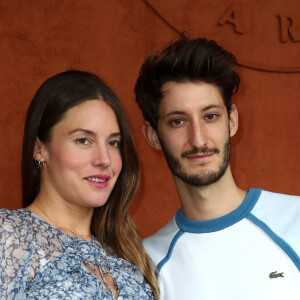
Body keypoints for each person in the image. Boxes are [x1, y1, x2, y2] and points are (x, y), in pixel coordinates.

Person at [134, 36, 300, 299]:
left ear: (232, 120)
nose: (198, 139)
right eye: (178, 121)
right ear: (153, 134)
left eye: (210, 116)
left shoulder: (295, 221)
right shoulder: (147, 265)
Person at [0, 70, 158, 299]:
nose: (104, 159)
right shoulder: (9, 235)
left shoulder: (128, 255)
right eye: (83, 140)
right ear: (39, 149)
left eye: (113, 142)